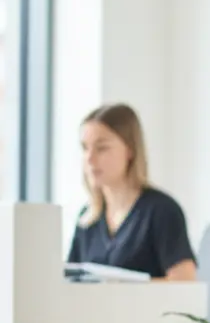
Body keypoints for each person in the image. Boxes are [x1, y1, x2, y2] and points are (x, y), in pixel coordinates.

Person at [67, 103, 197, 281]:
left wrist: (123, 288)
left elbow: (185, 283)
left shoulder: (162, 211)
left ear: (129, 150)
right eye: (85, 148)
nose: (90, 158)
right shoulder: (87, 218)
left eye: (101, 148)